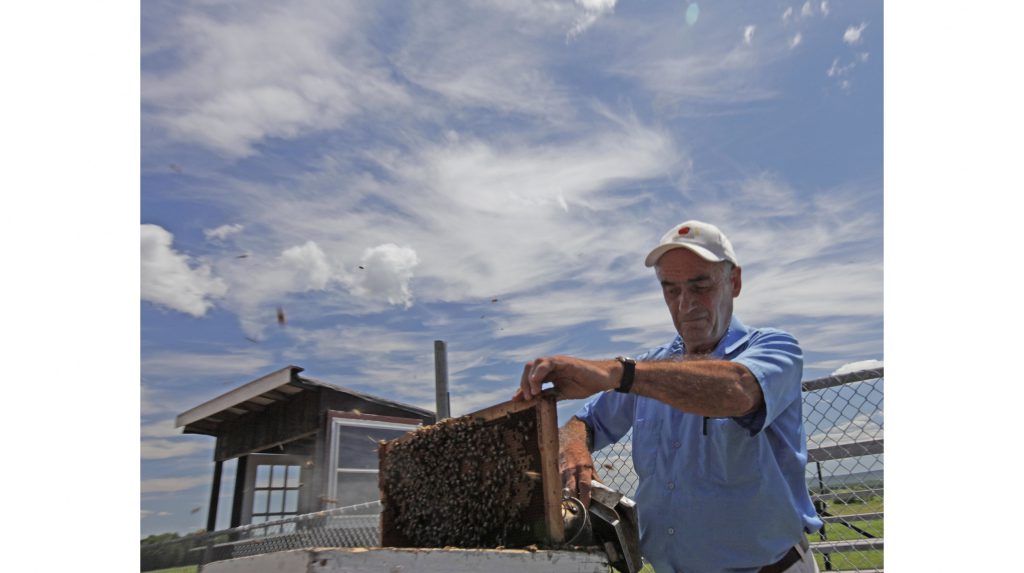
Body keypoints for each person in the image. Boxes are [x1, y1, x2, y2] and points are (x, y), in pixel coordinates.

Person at [513, 220, 823, 573]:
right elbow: (583, 422)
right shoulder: (648, 368)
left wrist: (617, 373)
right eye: (671, 290)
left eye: (700, 285)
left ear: (734, 282)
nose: (686, 304)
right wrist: (574, 452)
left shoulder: (773, 349)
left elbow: (737, 389)